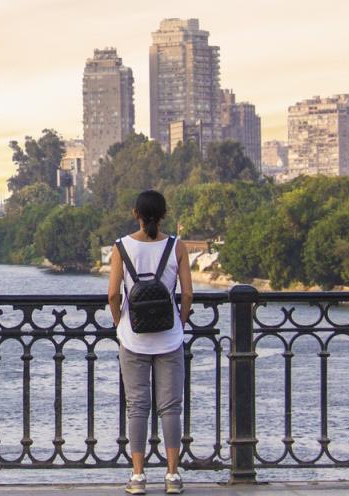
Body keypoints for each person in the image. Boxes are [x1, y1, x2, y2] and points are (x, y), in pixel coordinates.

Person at [107, 189, 191, 494]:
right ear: (164, 214)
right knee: (170, 408)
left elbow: (113, 294)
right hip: (169, 338)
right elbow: (188, 294)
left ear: (135, 214)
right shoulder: (176, 246)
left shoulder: (121, 247)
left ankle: (138, 477)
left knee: (137, 407)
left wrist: (119, 322)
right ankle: (172, 476)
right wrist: (179, 324)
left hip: (133, 337)